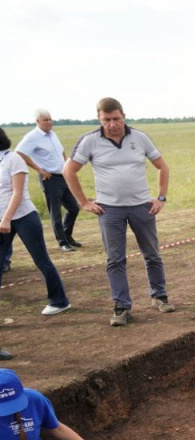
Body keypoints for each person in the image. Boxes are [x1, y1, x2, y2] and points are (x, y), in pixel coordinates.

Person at [64, 97, 175, 326]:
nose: (112, 124)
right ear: (99, 119)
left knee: (152, 253)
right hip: (109, 210)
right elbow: (69, 170)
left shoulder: (140, 137)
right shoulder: (90, 141)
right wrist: (84, 202)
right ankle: (122, 306)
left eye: (116, 119)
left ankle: (159, 296)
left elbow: (162, 166)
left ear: (124, 116)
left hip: (142, 206)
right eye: (107, 120)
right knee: (115, 259)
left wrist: (161, 197)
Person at [0, 128, 71, 316]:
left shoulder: (13, 159)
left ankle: (60, 301)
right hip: (2, 220)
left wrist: (7, 219)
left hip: (23, 217)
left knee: (41, 260)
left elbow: (18, 192)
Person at [16, 110, 81, 251]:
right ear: (37, 122)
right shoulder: (32, 137)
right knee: (55, 211)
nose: (49, 122)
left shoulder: (53, 134)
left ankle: (67, 236)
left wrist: (66, 167)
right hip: (49, 178)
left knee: (74, 207)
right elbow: (19, 153)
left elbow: (61, 151)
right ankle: (62, 242)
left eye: (50, 119)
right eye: (45, 120)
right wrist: (39, 169)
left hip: (63, 175)